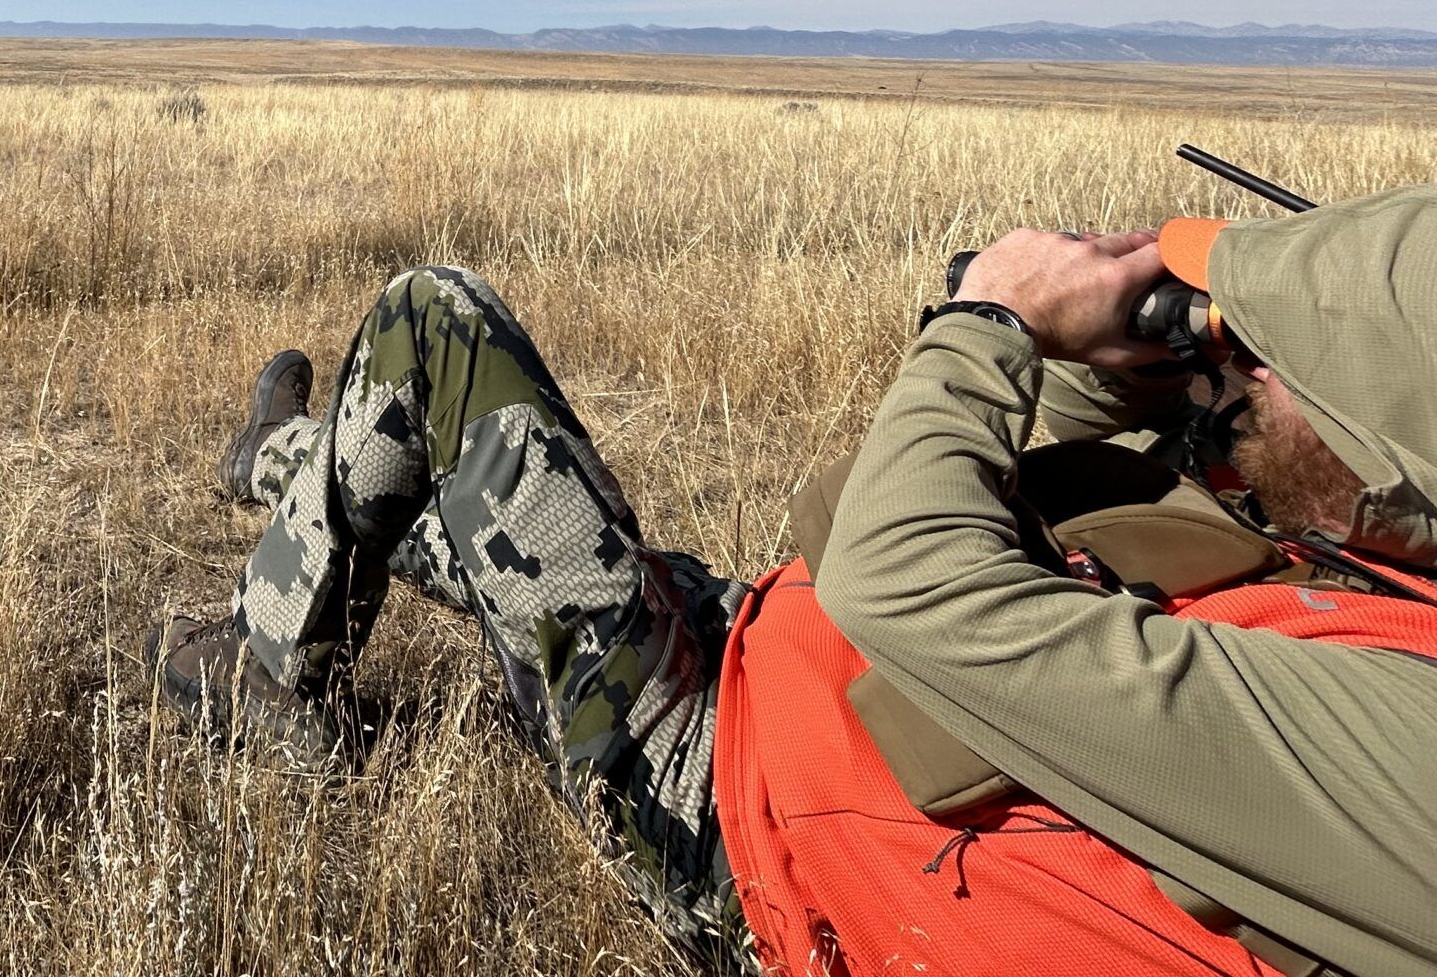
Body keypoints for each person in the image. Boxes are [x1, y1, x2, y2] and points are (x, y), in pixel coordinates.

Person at [147, 185, 1437, 976]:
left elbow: (899, 575)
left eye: (1271, 362)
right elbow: (1160, 441)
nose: (1237, 371)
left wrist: (988, 321)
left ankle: (272, 664)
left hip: (720, 790)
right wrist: (1181, 332)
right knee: (489, 521)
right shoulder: (1374, 554)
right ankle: (286, 464)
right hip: (763, 656)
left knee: (434, 326)